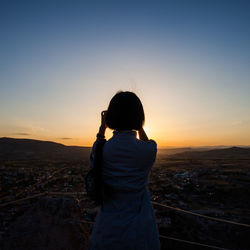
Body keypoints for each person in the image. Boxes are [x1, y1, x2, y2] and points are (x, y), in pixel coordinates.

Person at [88, 91, 160, 250]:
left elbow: (95, 156)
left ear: (110, 117)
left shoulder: (102, 150)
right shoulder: (147, 150)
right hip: (140, 229)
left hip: (107, 228)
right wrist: (140, 127)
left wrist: (102, 127)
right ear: (138, 117)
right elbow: (148, 144)